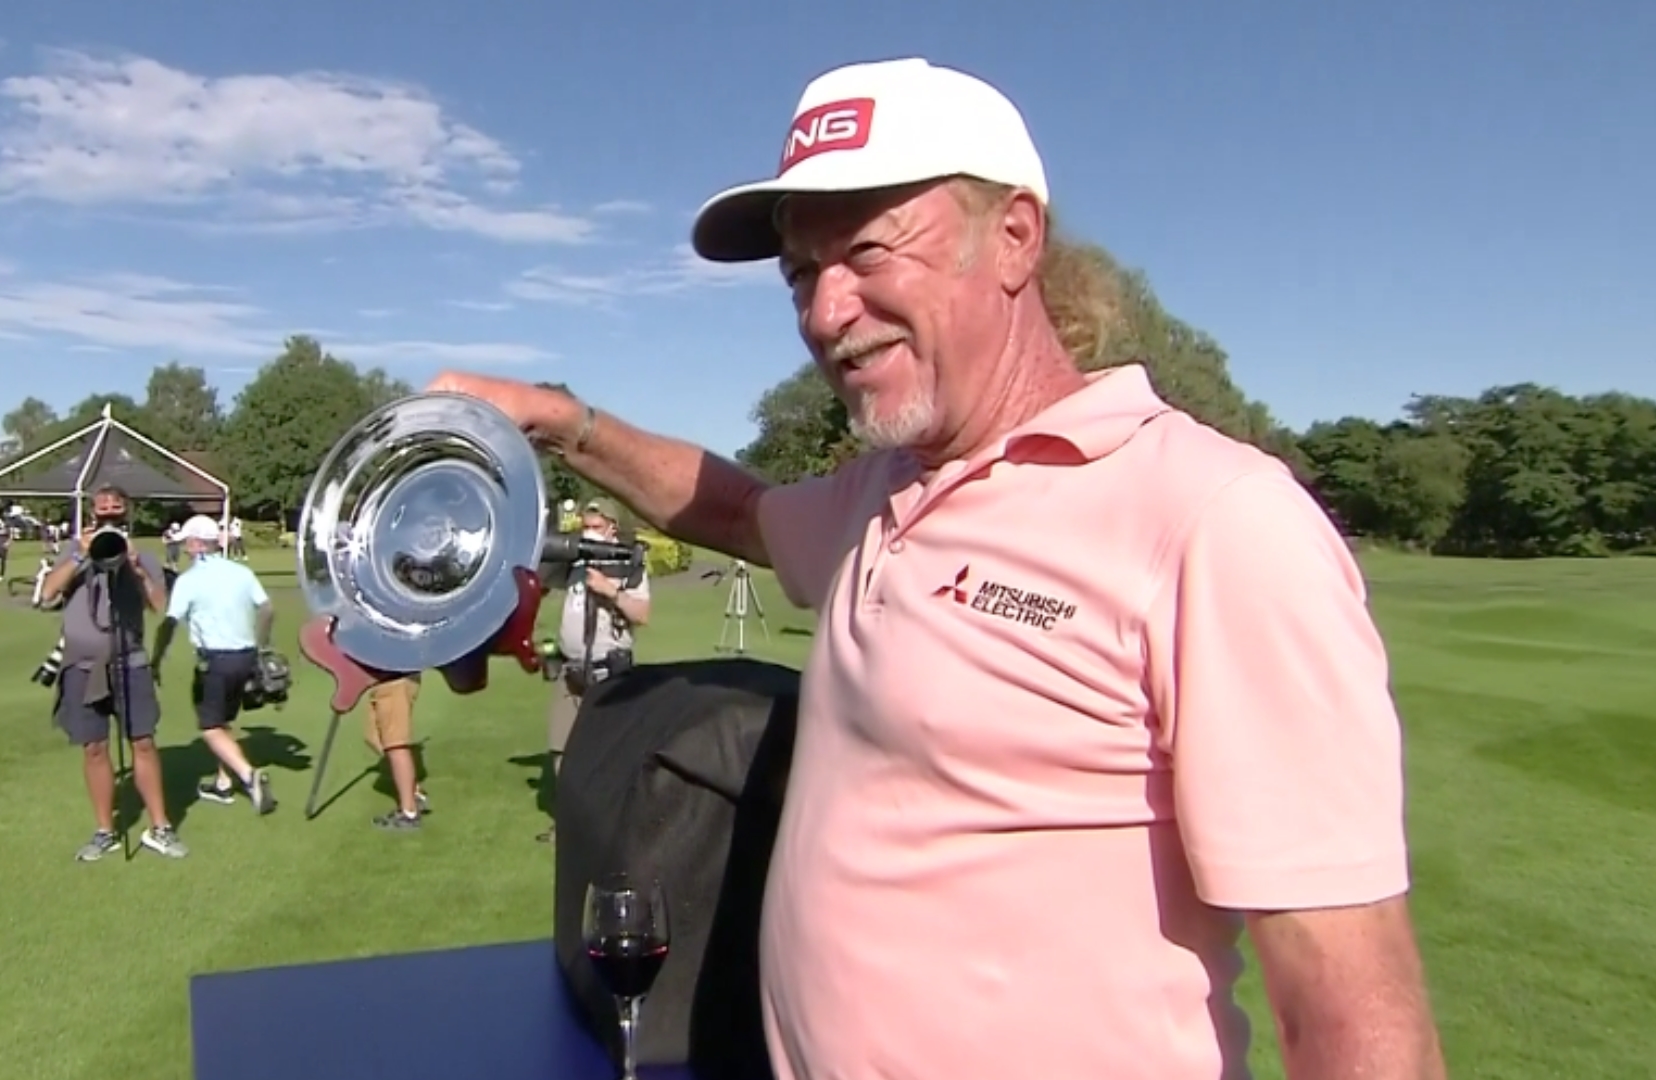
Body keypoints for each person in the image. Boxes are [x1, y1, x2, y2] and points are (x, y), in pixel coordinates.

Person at [420, 57, 1445, 1080]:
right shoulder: (887, 489)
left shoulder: (1217, 519)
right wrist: (557, 420)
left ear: (1014, 238)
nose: (826, 313)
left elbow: (1354, 1018)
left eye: (867, 251)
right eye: (800, 274)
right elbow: (733, 509)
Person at [37, 483, 186, 862]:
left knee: (143, 742)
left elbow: (160, 605)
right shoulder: (74, 550)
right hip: (82, 665)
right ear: (91, 514)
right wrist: (81, 556)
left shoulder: (142, 555)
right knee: (94, 747)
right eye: (101, 511)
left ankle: (160, 827)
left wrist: (134, 568)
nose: (108, 517)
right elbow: (46, 595)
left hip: (129, 661)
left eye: (115, 512)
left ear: (126, 514)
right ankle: (105, 830)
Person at [538, 498, 651, 844]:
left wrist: (609, 590)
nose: (589, 533)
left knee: (611, 752)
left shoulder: (629, 565)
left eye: (596, 527)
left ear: (612, 528)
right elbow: (539, 577)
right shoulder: (574, 562)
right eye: (586, 526)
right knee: (561, 749)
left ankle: (612, 825)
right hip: (570, 670)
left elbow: (642, 614)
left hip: (609, 672)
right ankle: (570, 824)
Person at [151, 515, 278, 815]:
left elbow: (169, 623)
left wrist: (156, 659)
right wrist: (262, 646)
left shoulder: (188, 580)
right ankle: (223, 783)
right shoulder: (241, 572)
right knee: (223, 721)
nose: (185, 547)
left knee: (210, 727)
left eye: (187, 542)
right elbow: (267, 609)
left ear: (197, 544)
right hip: (246, 656)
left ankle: (248, 775)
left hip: (215, 661)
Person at [361, 677, 429, 831]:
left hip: (394, 678)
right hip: (381, 679)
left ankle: (409, 813)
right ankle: (413, 793)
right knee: (373, 737)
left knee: (395, 744)